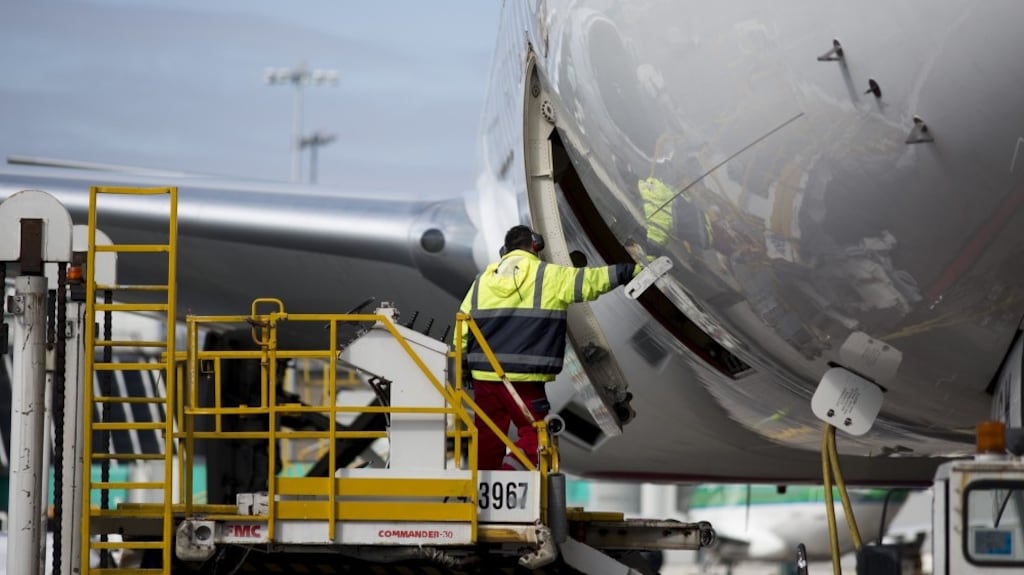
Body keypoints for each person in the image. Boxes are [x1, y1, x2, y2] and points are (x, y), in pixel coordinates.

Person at [456, 225, 639, 470]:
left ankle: (483, 495)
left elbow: (463, 327)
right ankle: (508, 475)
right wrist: (630, 270)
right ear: (535, 245)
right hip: (524, 381)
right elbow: (591, 282)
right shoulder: (546, 275)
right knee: (536, 438)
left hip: (485, 380)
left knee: (487, 439)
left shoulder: (482, 282)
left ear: (504, 251)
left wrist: (463, 367)